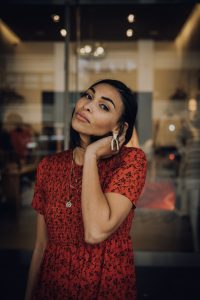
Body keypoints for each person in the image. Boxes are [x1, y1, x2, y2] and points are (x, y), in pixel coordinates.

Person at [25, 79, 147, 300]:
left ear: (119, 128)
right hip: (53, 286)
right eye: (88, 96)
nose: (87, 105)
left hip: (105, 286)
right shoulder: (49, 166)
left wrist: (91, 154)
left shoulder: (131, 162)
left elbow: (96, 231)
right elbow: (41, 245)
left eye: (104, 106)